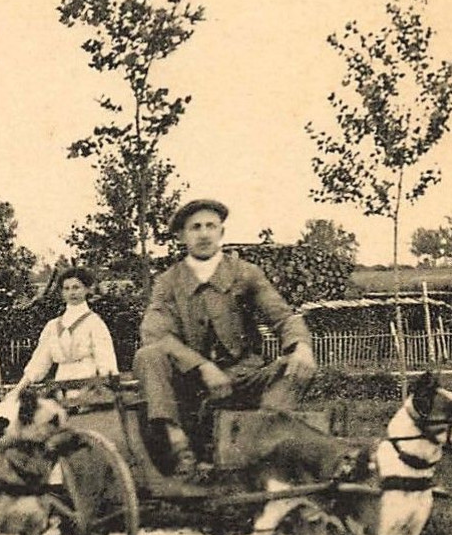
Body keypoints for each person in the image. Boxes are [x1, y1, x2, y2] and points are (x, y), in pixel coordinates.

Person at [133, 199, 317, 476]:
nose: (204, 233)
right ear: (182, 236)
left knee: (295, 366)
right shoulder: (168, 282)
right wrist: (202, 366)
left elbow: (282, 316)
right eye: (195, 228)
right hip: (191, 385)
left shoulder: (245, 273)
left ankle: (261, 443)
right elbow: (155, 332)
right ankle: (180, 447)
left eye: (211, 226)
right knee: (148, 355)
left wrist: (301, 346)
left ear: (222, 233)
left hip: (244, 377)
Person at [9, 267, 118, 398]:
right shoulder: (53, 326)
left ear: (87, 289)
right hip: (61, 384)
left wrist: (104, 386)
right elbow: (39, 362)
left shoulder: (94, 323)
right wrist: (18, 389)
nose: (72, 293)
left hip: (88, 381)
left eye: (76, 287)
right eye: (66, 288)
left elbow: (105, 359)